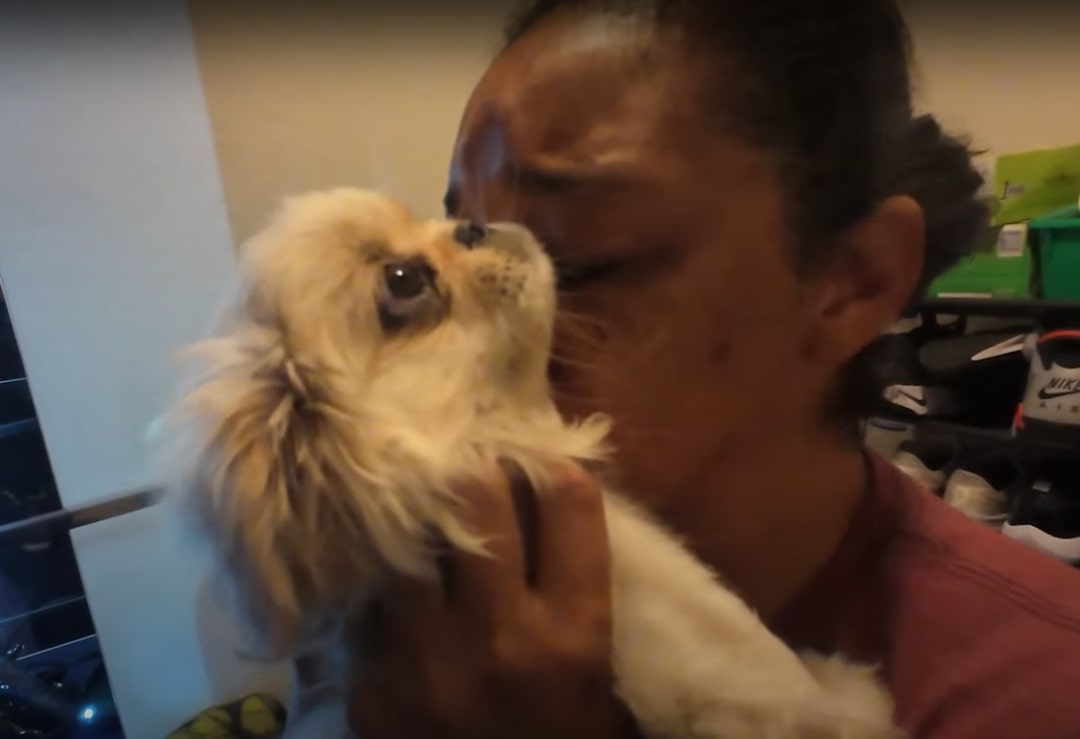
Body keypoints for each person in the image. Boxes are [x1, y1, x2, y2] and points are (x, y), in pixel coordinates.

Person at [345, 1, 1080, 737]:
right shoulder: (411, 630)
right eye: (440, 263)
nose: (471, 330)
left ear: (851, 281)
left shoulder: (1039, 692)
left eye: (573, 255)